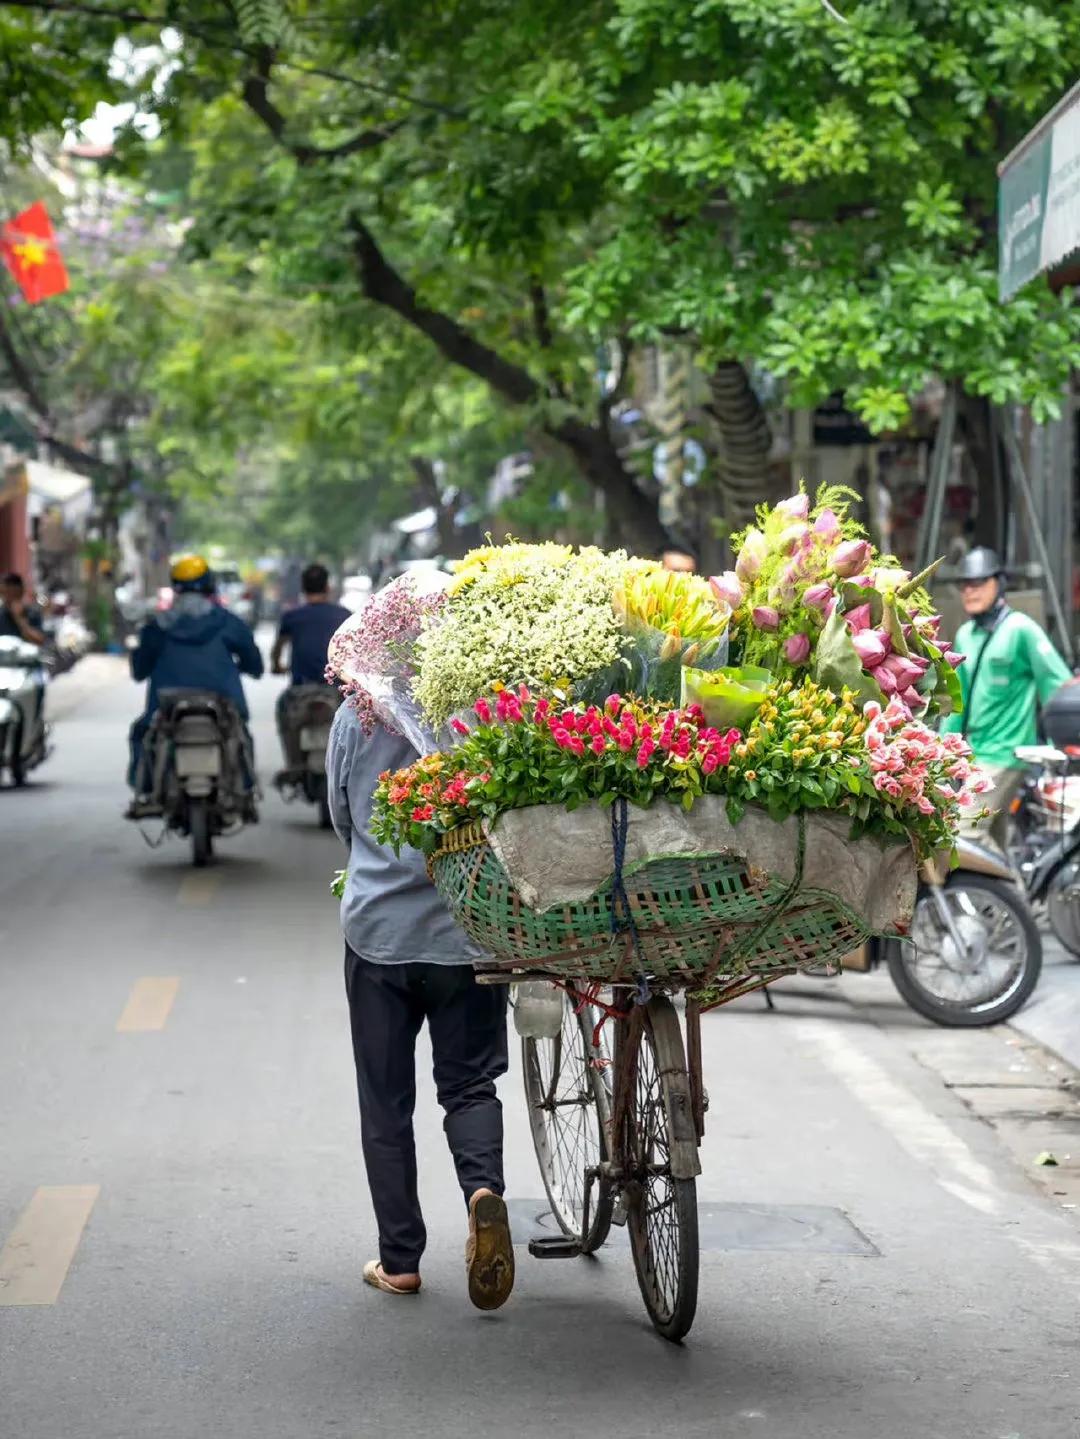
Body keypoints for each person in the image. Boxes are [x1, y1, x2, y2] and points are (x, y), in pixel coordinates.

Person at [326, 700, 514, 1310]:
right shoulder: (482, 712)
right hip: (467, 932)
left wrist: (377, 863)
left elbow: (342, 816)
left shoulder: (356, 718)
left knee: (385, 1102)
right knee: (470, 1087)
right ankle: (483, 1195)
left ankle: (400, 1260)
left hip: (379, 935)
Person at [942, 546, 1071, 848]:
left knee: (963, 834)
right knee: (994, 844)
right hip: (974, 754)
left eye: (979, 582)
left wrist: (1058, 746)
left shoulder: (1021, 630)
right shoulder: (964, 635)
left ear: (998, 583)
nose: (970, 591)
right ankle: (1007, 895)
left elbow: (1057, 683)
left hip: (1005, 755)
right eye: (965, 585)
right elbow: (956, 700)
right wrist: (943, 751)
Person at [127, 553, 263, 803]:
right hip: (224, 702)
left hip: (167, 705)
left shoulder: (157, 627)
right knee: (240, 735)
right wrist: (250, 668)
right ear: (210, 584)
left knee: (143, 734)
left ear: (175, 587)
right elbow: (253, 661)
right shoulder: (228, 622)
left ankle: (145, 790)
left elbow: (140, 670)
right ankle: (245, 790)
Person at [271, 563, 350, 772]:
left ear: (303, 589)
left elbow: (277, 650)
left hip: (300, 691)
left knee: (284, 713)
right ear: (327, 587)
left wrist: (277, 666)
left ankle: (293, 764)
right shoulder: (343, 615)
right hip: (336, 690)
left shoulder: (292, 617)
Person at [0, 572, 46, 645]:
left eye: (13, 592)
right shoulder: (1, 614)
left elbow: (39, 641)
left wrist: (20, 619)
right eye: (6, 592)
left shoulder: (32, 613)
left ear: (21, 591)